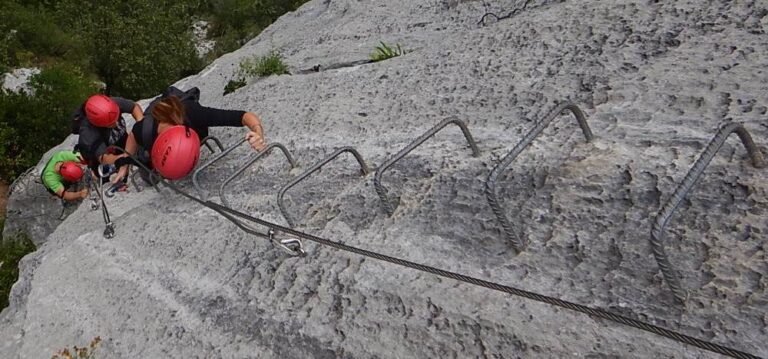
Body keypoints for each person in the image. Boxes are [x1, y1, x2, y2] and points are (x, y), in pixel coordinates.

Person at [118, 87, 266, 181]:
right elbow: (132, 137)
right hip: (155, 144)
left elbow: (243, 116)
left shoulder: (194, 114)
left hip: (186, 119)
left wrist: (258, 133)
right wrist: (124, 165)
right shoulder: (146, 129)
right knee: (149, 177)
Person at [76, 94, 143, 179]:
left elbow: (134, 107)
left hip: (121, 142)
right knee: (115, 178)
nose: (116, 124)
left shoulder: (111, 105)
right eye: (111, 124)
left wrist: (140, 125)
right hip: (105, 157)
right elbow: (104, 158)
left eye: (116, 118)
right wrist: (126, 158)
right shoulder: (88, 132)